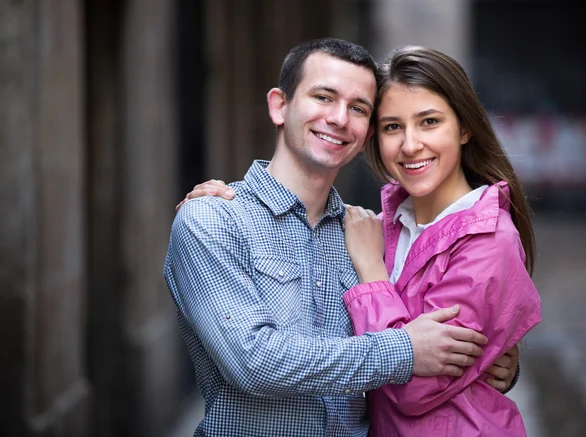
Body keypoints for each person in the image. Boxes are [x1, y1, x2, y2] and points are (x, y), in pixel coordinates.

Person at [165, 39, 515, 437]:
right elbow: (253, 361)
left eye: (359, 109)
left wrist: (494, 358)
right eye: (323, 97)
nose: (338, 118)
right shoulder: (214, 219)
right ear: (280, 105)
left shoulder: (371, 234)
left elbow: (438, 334)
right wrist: (404, 351)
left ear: (366, 132)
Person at [339, 46, 542, 436]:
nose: (410, 145)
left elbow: (414, 388)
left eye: (429, 121)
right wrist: (226, 200)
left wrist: (371, 272)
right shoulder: (385, 225)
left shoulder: (488, 241)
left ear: (464, 128)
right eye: (392, 126)